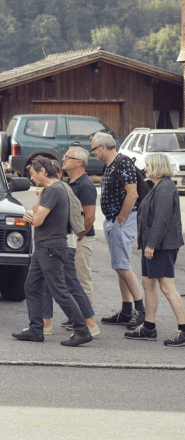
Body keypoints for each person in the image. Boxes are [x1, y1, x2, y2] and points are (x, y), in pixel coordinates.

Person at [12, 157, 92, 347]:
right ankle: (36, 329)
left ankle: (82, 330)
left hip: (50, 248)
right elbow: (40, 213)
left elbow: (37, 220)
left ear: (43, 171)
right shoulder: (55, 188)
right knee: (31, 286)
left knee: (59, 291)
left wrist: (28, 216)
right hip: (45, 247)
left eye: (33, 174)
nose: (31, 178)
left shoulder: (53, 190)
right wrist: (36, 206)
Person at [123, 152, 185, 346]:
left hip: (161, 245)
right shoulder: (156, 186)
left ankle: (183, 329)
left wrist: (151, 245)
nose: (145, 168)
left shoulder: (165, 187)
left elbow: (161, 219)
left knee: (166, 286)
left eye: (148, 165)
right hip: (152, 244)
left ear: (158, 166)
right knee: (148, 283)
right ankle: (149, 327)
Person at [39, 153, 100, 337]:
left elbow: (86, 217)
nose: (64, 159)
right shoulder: (61, 187)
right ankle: (45, 323)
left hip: (64, 243)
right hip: (59, 243)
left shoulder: (63, 188)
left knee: (71, 282)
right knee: (47, 282)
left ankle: (89, 323)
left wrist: (78, 236)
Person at [93, 132, 146, 329]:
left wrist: (121, 220)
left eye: (94, 149)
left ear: (102, 147)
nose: (93, 153)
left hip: (122, 219)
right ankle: (126, 310)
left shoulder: (122, 163)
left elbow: (133, 194)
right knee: (119, 266)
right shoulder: (110, 165)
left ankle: (140, 310)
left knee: (122, 265)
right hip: (113, 220)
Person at [62, 145, 99, 306]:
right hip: (72, 239)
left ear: (78, 162)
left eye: (67, 157)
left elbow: (90, 217)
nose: (63, 159)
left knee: (81, 280)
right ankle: (75, 316)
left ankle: (86, 317)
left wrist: (77, 238)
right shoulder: (70, 182)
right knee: (70, 280)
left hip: (81, 240)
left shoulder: (85, 185)